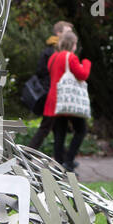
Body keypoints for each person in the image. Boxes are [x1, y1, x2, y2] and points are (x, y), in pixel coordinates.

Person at [44, 28, 91, 172]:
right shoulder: (70, 57)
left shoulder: (53, 57)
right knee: (81, 130)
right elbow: (82, 75)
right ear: (72, 44)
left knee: (60, 133)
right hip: (67, 100)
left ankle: (59, 164)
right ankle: (69, 161)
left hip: (54, 100)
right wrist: (86, 62)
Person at [26, 20, 73, 152]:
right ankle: (27, 154)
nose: (71, 35)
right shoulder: (54, 51)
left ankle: (63, 158)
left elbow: (40, 71)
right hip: (52, 94)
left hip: (53, 93)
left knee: (57, 128)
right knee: (46, 128)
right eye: (68, 32)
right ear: (59, 33)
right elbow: (43, 72)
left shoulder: (53, 50)